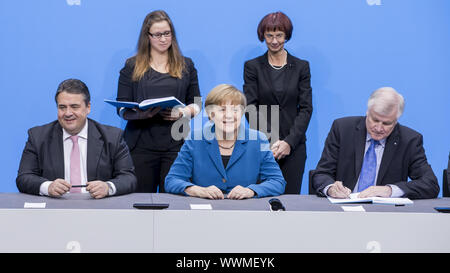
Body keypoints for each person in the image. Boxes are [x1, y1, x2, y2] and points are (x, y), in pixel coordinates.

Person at [116, 10, 201, 193]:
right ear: (147, 36)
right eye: (157, 35)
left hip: (175, 144)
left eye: (167, 33)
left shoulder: (186, 65)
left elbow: (196, 103)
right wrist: (140, 113)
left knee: (174, 201)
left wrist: (183, 112)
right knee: (139, 201)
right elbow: (121, 107)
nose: (163, 39)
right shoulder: (132, 66)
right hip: (140, 144)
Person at [16, 79, 137, 198]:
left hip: (98, 210)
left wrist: (107, 187)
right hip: (54, 210)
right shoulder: (38, 136)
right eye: (62, 107)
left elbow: (128, 178)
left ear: (88, 107)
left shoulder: (112, 137)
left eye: (74, 107)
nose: (68, 113)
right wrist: (48, 187)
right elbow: (24, 177)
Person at [312, 87, 439, 199]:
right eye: (375, 120)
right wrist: (330, 188)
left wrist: (390, 190)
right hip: (342, 210)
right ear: (367, 112)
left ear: (396, 120)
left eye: (386, 123)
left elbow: (430, 184)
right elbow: (322, 173)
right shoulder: (342, 129)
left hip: (387, 215)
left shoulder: (409, 140)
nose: (378, 128)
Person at [165, 84, 286, 199]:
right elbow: (172, 180)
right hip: (204, 213)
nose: (229, 115)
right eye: (222, 110)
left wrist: (251, 191)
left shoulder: (259, 140)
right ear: (211, 114)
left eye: (235, 110)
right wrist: (197, 190)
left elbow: (278, 182)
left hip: (245, 212)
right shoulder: (195, 139)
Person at [243, 11, 313, 194]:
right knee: (259, 200)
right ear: (263, 36)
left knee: (291, 202)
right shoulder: (252, 67)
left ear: (286, 36)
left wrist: (289, 142)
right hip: (262, 146)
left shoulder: (301, 67)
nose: (274, 41)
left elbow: (306, 108)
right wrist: (272, 141)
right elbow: (250, 106)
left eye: (279, 35)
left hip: (294, 147)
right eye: (269, 35)